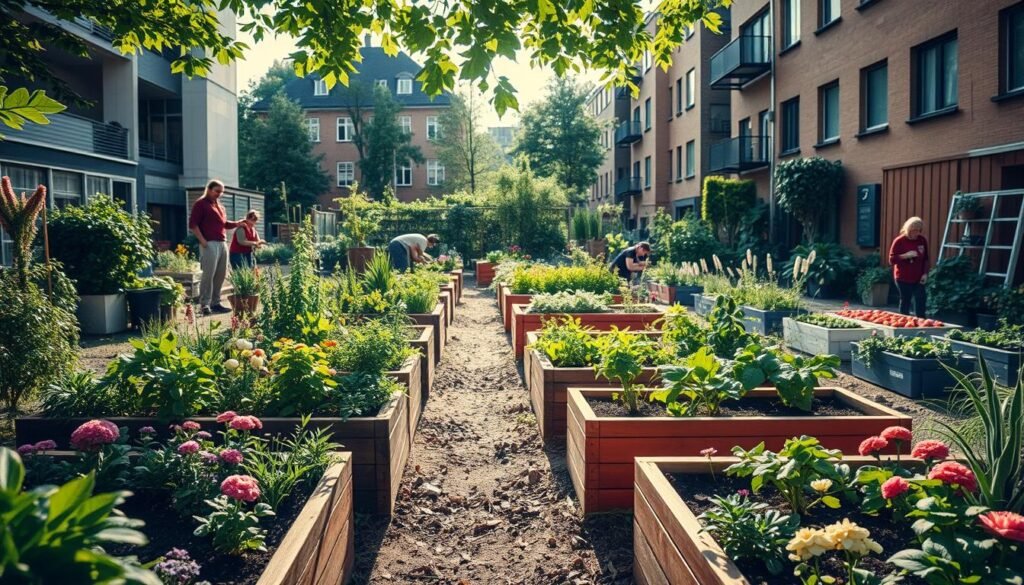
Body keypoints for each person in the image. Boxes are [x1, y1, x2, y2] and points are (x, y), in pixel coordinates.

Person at [189, 179, 242, 315]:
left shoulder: (219, 206)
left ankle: (216, 303)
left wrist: (238, 223)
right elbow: (193, 224)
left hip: (222, 242)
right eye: (217, 191)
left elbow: (224, 224)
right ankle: (204, 304)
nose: (219, 194)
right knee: (208, 274)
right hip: (209, 243)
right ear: (209, 189)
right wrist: (203, 241)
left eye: (221, 192)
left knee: (220, 274)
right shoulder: (201, 204)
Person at [888, 216, 930, 318]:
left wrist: (925, 273)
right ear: (908, 229)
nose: (916, 233)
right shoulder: (899, 240)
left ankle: (922, 322)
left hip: (918, 277)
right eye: (914, 231)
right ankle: (904, 323)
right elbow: (891, 260)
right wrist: (905, 255)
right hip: (902, 277)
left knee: (921, 298)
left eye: (918, 231)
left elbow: (926, 259)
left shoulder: (922, 240)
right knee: (905, 300)